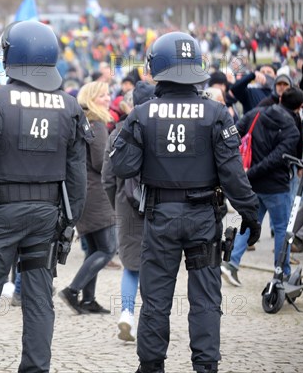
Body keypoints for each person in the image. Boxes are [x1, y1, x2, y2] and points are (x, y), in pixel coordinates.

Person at [110, 32, 260, 373]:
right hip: (204, 216)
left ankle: (151, 366)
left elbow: (122, 166)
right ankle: (205, 366)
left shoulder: (142, 114)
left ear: (157, 68)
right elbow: (233, 174)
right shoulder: (217, 113)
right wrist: (250, 215)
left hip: (160, 217)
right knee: (206, 299)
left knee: (156, 301)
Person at [0, 20, 90, 373]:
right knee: (39, 300)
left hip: (0, 215)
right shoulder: (71, 107)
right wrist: (69, 223)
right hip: (47, 217)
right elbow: (78, 176)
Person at [221, 87, 303, 286]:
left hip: (253, 183)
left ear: (281, 97)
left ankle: (231, 263)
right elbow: (277, 159)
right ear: (300, 107)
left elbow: (234, 130)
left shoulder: (257, 112)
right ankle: (281, 273)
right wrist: (252, 172)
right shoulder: (292, 128)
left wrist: (242, 170)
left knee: (250, 222)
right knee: (283, 229)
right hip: (275, 186)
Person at [58, 81, 117, 315]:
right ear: (92, 98)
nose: (108, 97)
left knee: (94, 249)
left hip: (83, 192)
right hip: (98, 194)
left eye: (108, 93)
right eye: (103, 95)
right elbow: (102, 163)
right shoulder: (98, 124)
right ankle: (73, 290)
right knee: (107, 249)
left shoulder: (81, 121)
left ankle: (88, 299)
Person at [103, 80, 156, 343]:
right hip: (157, 205)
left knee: (130, 266)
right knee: (155, 264)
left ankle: (126, 313)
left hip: (126, 205)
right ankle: (152, 320)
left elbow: (107, 178)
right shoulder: (159, 130)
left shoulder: (117, 133)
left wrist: (118, 204)